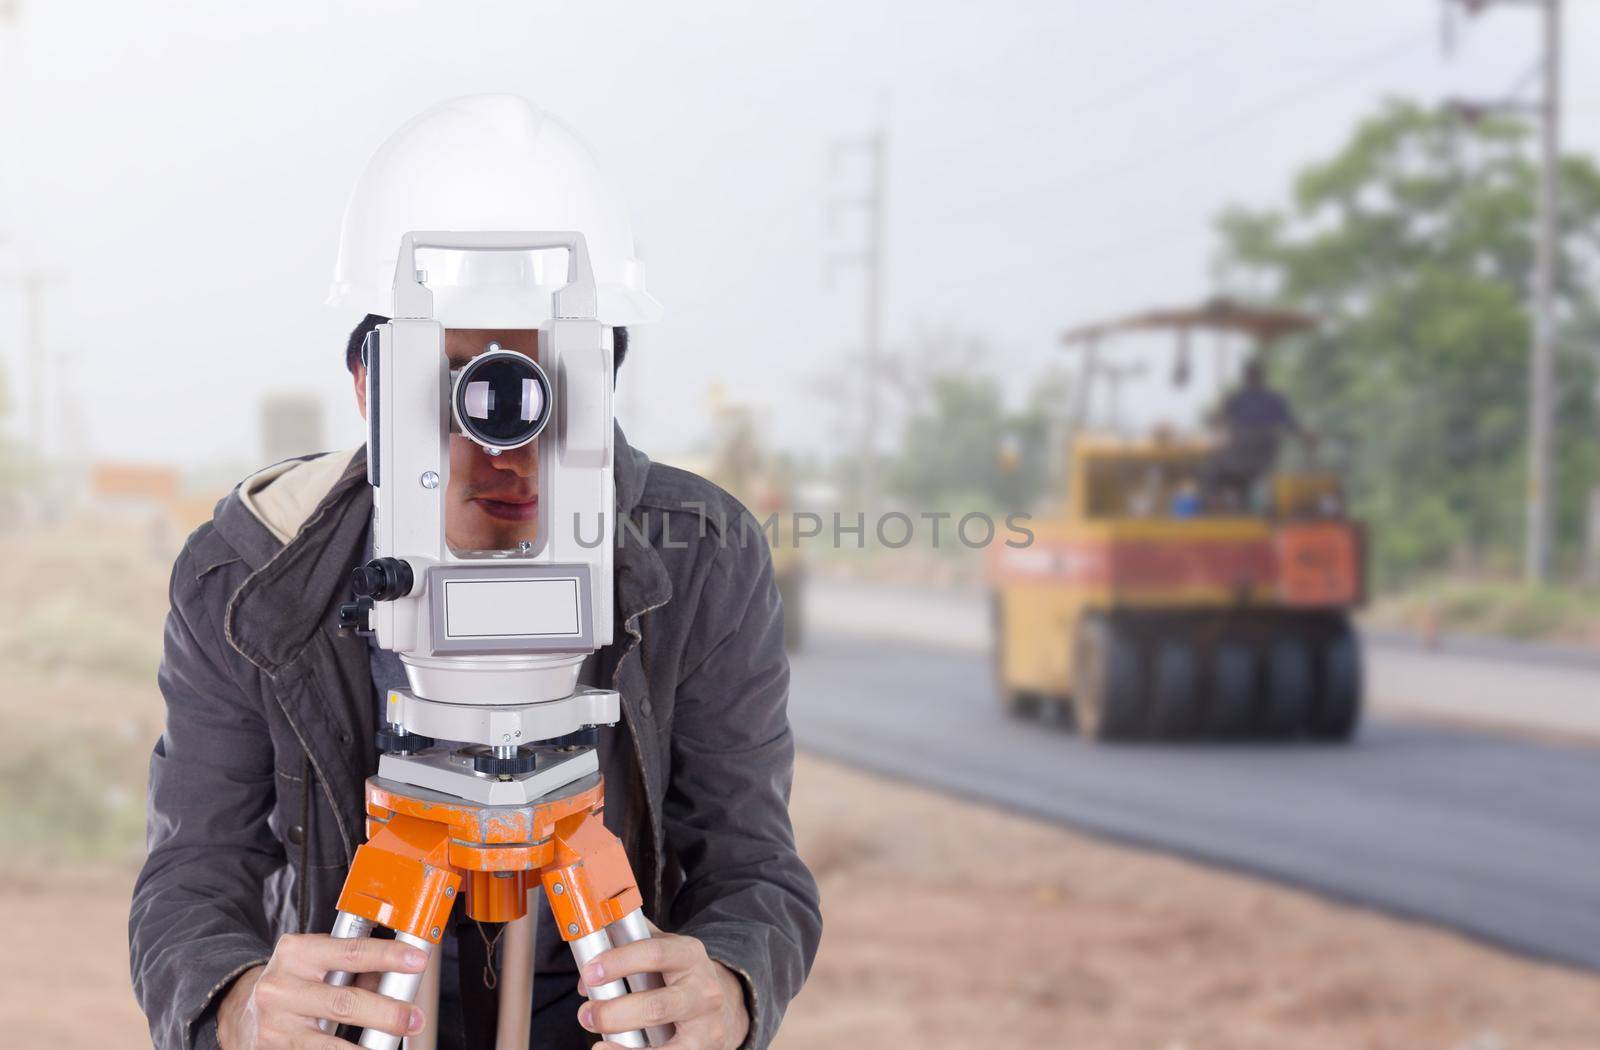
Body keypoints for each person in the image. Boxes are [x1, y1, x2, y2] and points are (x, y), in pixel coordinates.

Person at [128, 95, 821, 1050]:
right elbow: (189, 882)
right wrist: (244, 1009)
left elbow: (755, 869)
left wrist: (733, 989)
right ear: (372, 387)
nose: (509, 440)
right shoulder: (250, 575)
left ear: (604, 376)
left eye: (545, 386)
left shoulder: (702, 552)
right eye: (465, 387)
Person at [1203, 357, 1313, 509]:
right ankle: (1239, 505)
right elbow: (1290, 424)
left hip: (1245, 452)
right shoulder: (1273, 399)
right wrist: (1305, 436)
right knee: (1235, 470)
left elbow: (1217, 421)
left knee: (1212, 465)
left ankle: (1213, 505)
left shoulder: (1238, 399)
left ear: (1246, 377)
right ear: (1262, 376)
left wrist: (1217, 417)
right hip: (1264, 456)